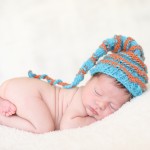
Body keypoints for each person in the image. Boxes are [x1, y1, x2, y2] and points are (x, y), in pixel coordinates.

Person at [0, 35, 148, 134]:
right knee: (44, 127)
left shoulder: (88, 100)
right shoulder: (79, 99)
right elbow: (67, 125)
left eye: (112, 106)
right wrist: (96, 122)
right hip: (28, 92)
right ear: (88, 80)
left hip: (19, 91)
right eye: (97, 92)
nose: (100, 105)